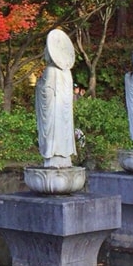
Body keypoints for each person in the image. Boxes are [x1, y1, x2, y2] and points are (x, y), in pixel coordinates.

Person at [35, 29, 77, 168]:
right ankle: (65, 156)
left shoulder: (51, 70)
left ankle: (52, 155)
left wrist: (39, 84)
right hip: (63, 116)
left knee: (52, 133)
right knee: (63, 130)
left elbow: (46, 92)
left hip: (54, 114)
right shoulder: (67, 73)